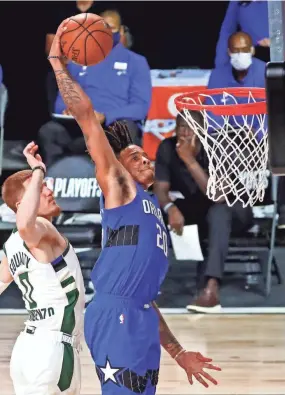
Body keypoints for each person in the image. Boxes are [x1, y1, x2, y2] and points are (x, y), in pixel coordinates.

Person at [47, 20, 221, 394]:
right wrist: (58, 64)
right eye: (135, 157)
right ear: (116, 170)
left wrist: (178, 352)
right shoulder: (119, 189)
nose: (145, 160)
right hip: (115, 314)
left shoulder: (150, 206)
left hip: (140, 314)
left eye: (145, 154)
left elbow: (146, 299)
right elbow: (87, 119)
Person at [0, 142, 85, 395]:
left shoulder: (11, 245)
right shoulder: (41, 228)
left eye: (45, 185)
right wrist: (37, 171)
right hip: (52, 349)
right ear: (20, 205)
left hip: (27, 348)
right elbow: (26, 224)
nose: (48, 191)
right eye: (40, 188)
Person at [154, 112, 253, 312]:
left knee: (218, 212)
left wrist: (189, 160)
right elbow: (160, 189)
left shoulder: (219, 147)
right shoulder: (167, 147)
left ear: (201, 131)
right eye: (181, 126)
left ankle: (211, 288)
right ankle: (142, 284)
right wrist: (169, 207)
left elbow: (217, 195)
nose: (184, 132)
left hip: (235, 209)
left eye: (190, 127)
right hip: (199, 208)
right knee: (153, 212)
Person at [39, 9, 151, 167]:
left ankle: (122, 188)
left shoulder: (136, 62)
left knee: (126, 130)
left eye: (111, 28)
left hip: (112, 126)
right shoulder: (78, 60)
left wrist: (105, 116)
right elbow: (61, 100)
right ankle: (55, 184)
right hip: (79, 127)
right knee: (49, 131)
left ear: (121, 30)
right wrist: (67, 110)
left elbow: (140, 107)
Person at [215, 0, 270, 67]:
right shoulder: (236, 3)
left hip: (279, 55)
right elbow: (226, 33)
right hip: (254, 57)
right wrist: (220, 66)